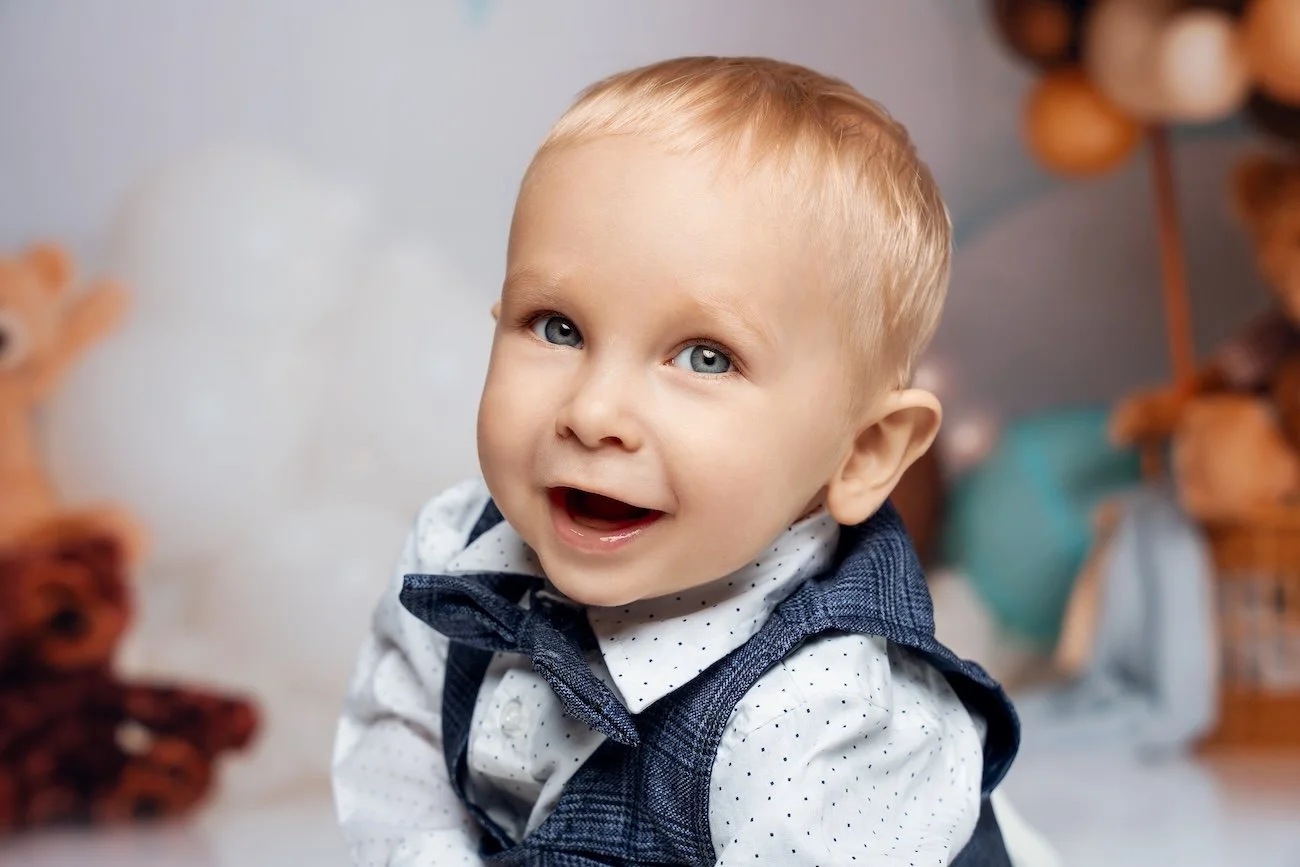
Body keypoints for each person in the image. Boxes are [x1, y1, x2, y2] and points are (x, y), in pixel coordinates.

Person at [332, 55, 1021, 866]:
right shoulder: (457, 550)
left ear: (863, 451)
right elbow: (398, 751)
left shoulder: (818, 725)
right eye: (557, 327)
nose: (593, 413)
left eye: (704, 357)